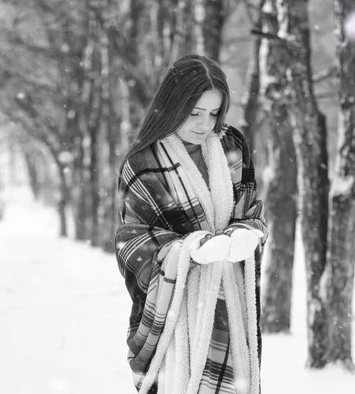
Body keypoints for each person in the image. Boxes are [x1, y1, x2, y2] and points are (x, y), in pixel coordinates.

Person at [115, 54, 268, 394]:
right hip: (175, 315)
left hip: (230, 307)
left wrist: (247, 233)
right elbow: (132, 243)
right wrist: (189, 250)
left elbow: (250, 212)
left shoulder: (232, 146)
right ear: (172, 105)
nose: (205, 124)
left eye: (214, 113)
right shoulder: (142, 163)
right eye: (195, 112)